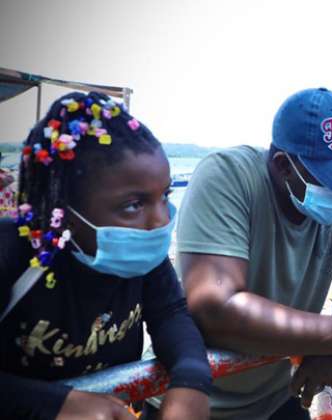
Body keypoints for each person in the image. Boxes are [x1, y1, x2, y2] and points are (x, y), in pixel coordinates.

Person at [169, 88, 332, 420]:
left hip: (280, 395)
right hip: (201, 402)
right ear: (283, 166)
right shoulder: (228, 176)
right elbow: (216, 306)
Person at [0, 92, 212, 420]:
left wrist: (192, 380)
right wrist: (57, 404)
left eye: (165, 195)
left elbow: (171, 314)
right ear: (64, 208)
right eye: (134, 205)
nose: (161, 220)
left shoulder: (145, 258)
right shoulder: (13, 253)